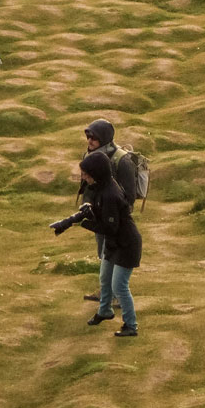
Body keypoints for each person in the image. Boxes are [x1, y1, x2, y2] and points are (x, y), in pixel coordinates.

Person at [65, 149, 142, 337]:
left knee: (119, 286)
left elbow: (110, 228)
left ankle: (131, 325)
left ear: (96, 173)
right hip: (114, 242)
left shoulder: (110, 194)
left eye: (86, 173)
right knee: (105, 278)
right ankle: (104, 311)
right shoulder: (101, 186)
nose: (83, 176)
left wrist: (84, 223)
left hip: (126, 244)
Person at [78, 119, 138, 304]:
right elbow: (87, 187)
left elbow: (130, 195)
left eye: (94, 137)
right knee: (103, 253)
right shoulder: (90, 157)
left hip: (117, 219)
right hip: (98, 216)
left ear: (104, 138)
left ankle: (118, 295)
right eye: (88, 136)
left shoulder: (122, 160)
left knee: (116, 255)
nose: (89, 141)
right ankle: (107, 292)